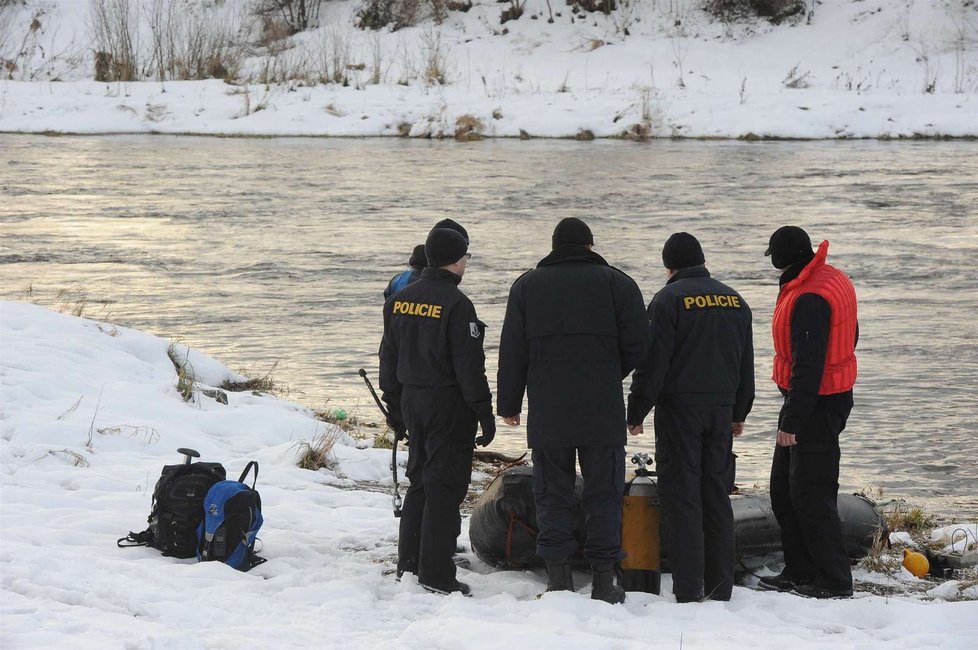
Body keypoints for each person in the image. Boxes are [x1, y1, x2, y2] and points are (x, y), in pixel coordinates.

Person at [496, 217, 650, 604]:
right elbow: (640, 345)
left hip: (549, 408)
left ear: (553, 246)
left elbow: (513, 350)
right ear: (590, 246)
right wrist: (610, 371)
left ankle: (559, 579)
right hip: (602, 407)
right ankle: (602, 581)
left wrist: (509, 404)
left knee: (552, 493)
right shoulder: (619, 283)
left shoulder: (527, 285)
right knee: (605, 493)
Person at [626, 232, 754, 603]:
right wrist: (740, 410)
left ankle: (688, 588)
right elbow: (745, 363)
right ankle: (720, 587)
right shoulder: (736, 300)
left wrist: (637, 411)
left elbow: (654, 364)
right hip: (720, 411)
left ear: (670, 267)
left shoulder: (667, 300)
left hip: (680, 411)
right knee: (716, 495)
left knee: (682, 498)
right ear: (701, 260)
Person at [379, 226, 496, 596]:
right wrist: (484, 412)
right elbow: (468, 368)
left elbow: (388, 359)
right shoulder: (457, 305)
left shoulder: (399, 299)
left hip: (413, 400)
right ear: (457, 260)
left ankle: (409, 564)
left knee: (420, 483)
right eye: (466, 257)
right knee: (444, 488)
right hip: (449, 404)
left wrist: (394, 406)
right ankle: (436, 573)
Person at [758, 226, 858, 599]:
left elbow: (809, 366)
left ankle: (834, 580)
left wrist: (792, 421)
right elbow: (851, 333)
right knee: (784, 490)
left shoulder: (809, 297)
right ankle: (799, 569)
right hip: (819, 398)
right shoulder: (829, 279)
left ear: (782, 258)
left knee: (812, 495)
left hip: (816, 403)